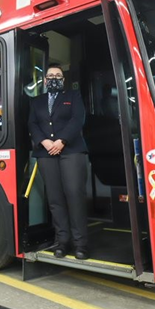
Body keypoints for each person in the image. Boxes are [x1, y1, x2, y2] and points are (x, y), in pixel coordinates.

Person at [28, 63, 89, 259]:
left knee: (74, 196)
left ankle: (80, 243)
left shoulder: (73, 96)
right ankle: (62, 242)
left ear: (63, 80)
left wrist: (62, 140)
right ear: (45, 80)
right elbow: (32, 123)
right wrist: (44, 141)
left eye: (58, 76)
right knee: (55, 199)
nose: (54, 78)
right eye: (50, 76)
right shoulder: (36, 101)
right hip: (46, 153)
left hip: (71, 151)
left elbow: (78, 119)